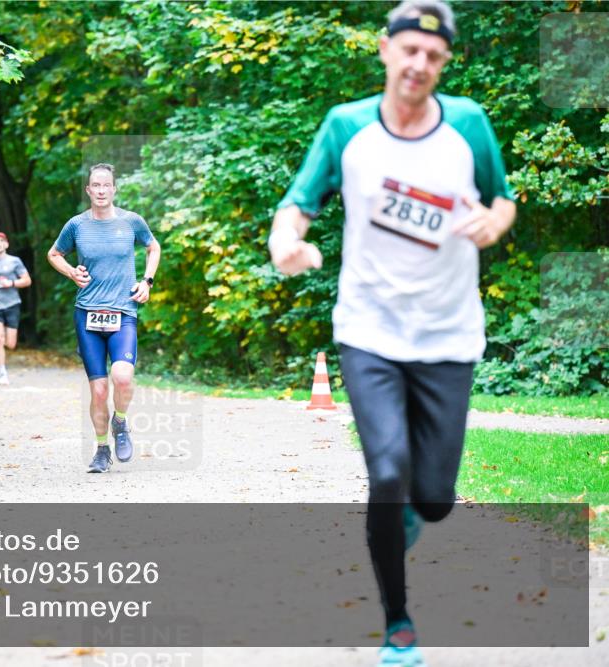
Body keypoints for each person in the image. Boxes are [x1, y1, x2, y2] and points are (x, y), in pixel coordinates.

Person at [267, 2, 516, 665]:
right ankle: (397, 623)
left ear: (444, 64)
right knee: (387, 470)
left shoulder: (469, 125)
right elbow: (297, 204)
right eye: (409, 51)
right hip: (369, 331)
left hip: (449, 336)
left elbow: (503, 196)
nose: (419, 65)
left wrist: (495, 222)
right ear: (384, 50)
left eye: (433, 57)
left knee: (432, 500)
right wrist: (285, 240)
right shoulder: (346, 126)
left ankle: (402, 519)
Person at [47, 163, 161, 473]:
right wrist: (71, 272)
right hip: (88, 315)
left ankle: (120, 422)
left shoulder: (131, 222)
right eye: (95, 185)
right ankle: (101, 450)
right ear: (88, 190)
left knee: (122, 377)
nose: (100, 190)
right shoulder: (77, 225)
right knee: (98, 389)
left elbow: (153, 247)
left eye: (105, 185)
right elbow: (54, 254)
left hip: (123, 312)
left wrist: (147, 282)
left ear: (113, 189)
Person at [0, 232, 31, 385]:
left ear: (7, 244)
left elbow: (27, 280)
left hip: (12, 304)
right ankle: (2, 372)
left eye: (2, 241)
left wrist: (12, 283)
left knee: (11, 344)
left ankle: (4, 350)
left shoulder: (15, 261)